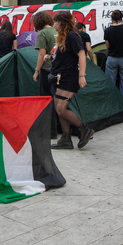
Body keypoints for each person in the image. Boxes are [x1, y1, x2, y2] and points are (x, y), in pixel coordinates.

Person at [48, 11, 93, 150]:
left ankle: (84, 129)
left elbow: (81, 54)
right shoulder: (63, 37)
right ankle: (66, 139)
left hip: (69, 77)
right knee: (59, 108)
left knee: (61, 108)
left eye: (55, 21)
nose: (53, 24)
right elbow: (63, 56)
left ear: (61, 22)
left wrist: (81, 76)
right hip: (60, 77)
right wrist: (50, 58)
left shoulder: (73, 36)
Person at [33, 12, 58, 138]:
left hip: (47, 70)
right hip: (59, 70)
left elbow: (42, 55)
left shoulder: (42, 34)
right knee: (58, 99)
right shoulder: (57, 30)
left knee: (46, 100)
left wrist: (37, 70)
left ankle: (50, 131)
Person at [104, 10, 123, 111]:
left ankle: (111, 109)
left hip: (112, 58)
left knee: (111, 84)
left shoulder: (107, 30)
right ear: (121, 17)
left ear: (111, 18)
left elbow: (108, 46)